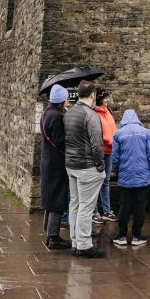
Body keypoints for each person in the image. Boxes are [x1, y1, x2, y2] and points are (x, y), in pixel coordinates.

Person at [64, 80, 106, 258]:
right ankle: (83, 244)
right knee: (86, 207)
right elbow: (97, 144)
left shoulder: (69, 112)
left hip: (71, 164)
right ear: (92, 95)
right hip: (87, 166)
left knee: (75, 204)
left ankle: (75, 240)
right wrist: (100, 165)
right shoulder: (91, 115)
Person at [110, 109, 150, 246]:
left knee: (125, 205)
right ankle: (137, 236)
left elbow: (115, 158)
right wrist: (149, 171)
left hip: (125, 176)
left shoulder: (118, 134)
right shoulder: (146, 132)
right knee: (139, 206)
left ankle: (122, 235)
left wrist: (118, 172)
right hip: (142, 176)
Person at [40, 85, 71, 250]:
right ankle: (53, 237)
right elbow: (60, 142)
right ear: (60, 100)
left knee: (50, 199)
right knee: (57, 201)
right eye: (66, 98)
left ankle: (49, 233)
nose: (68, 100)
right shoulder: (56, 117)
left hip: (47, 161)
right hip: (56, 164)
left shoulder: (46, 113)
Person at [93, 89, 118, 223]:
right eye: (107, 98)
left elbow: (112, 128)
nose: (109, 100)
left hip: (109, 151)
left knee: (105, 181)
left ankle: (107, 211)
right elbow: (97, 134)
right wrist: (108, 139)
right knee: (97, 181)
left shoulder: (108, 111)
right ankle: (94, 211)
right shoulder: (95, 114)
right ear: (102, 99)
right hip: (100, 151)